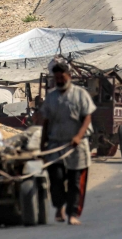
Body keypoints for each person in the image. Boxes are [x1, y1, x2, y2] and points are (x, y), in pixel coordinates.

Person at [39, 60, 96, 225]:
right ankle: (59, 206)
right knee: (55, 179)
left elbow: (87, 118)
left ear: (69, 76)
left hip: (76, 146)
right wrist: (42, 147)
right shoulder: (51, 97)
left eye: (62, 77)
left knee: (75, 182)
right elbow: (46, 123)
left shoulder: (80, 94)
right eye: (56, 77)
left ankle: (72, 214)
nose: (59, 80)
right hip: (55, 145)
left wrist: (78, 136)